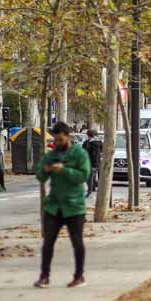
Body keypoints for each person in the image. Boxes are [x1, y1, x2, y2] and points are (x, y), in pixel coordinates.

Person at [35, 122, 91, 289]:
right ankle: (44, 276)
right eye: (55, 140)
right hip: (54, 206)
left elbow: (83, 176)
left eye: (60, 139)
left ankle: (79, 275)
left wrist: (64, 170)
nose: (57, 143)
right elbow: (40, 176)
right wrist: (45, 170)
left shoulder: (80, 154)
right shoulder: (51, 155)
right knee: (48, 242)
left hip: (74, 205)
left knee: (77, 242)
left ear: (67, 137)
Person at [84, 129, 103, 195]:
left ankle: (90, 191)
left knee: (90, 177)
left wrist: (94, 165)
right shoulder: (88, 142)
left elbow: (95, 155)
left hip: (93, 162)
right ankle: (93, 188)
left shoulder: (95, 143)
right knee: (92, 177)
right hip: (96, 162)